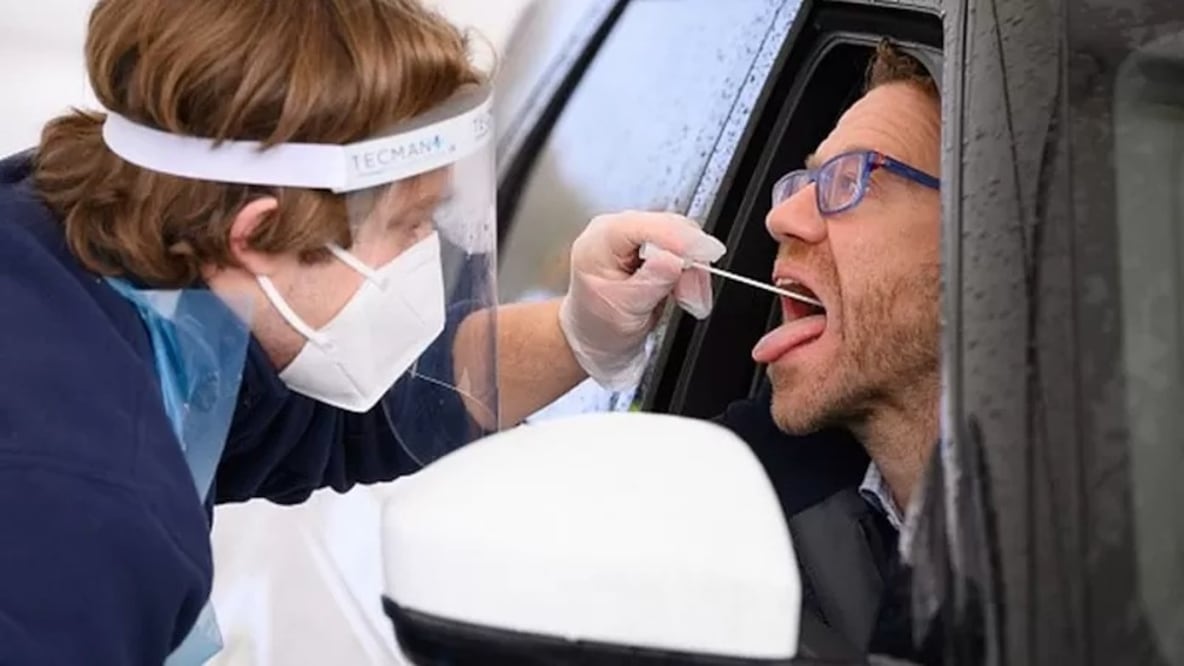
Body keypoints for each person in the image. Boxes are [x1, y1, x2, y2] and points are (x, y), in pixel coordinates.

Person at [0, 0, 724, 663]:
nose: (425, 252)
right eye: (408, 224)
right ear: (258, 231)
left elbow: (360, 413)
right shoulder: (76, 509)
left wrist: (581, 330)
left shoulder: (106, 247)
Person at [706, 39, 943, 657]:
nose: (781, 220)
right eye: (805, 182)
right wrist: (579, 338)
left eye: (850, 179)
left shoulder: (1126, 514)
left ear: (987, 231)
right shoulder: (740, 487)